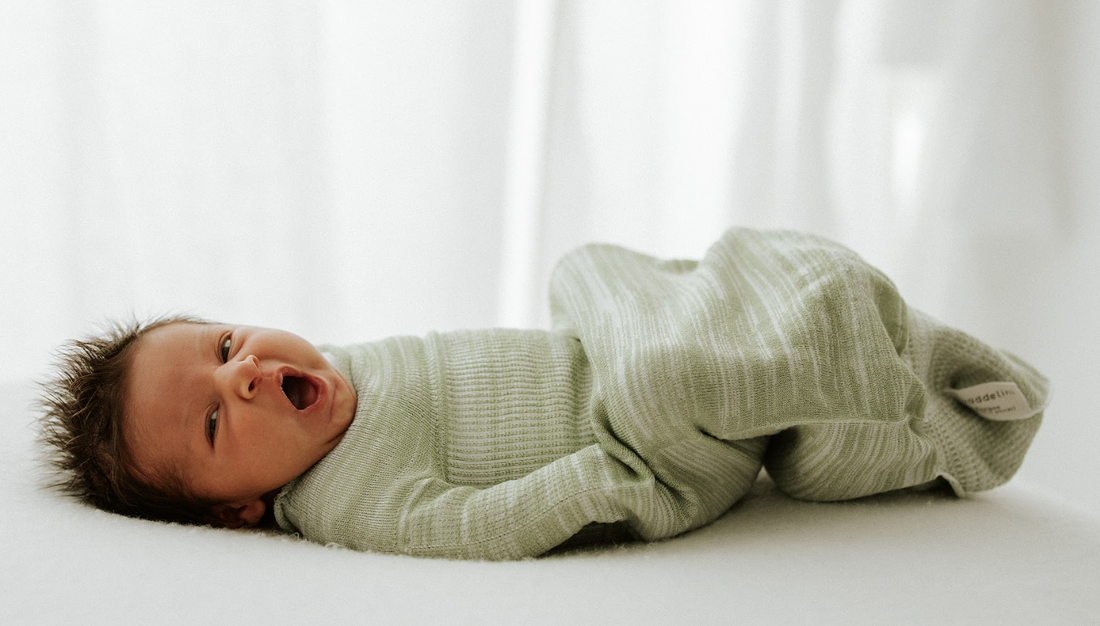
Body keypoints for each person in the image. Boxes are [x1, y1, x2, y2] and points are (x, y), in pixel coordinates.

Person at [38, 228, 1049, 560]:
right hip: (640, 442)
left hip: (597, 348)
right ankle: (902, 390)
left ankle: (859, 333)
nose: (245, 368)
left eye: (223, 341)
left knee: (591, 264)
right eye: (215, 417)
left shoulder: (326, 370)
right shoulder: (346, 498)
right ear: (239, 506)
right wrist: (593, 477)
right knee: (677, 374)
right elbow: (476, 521)